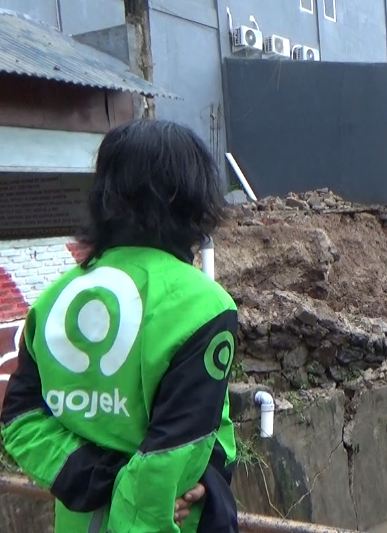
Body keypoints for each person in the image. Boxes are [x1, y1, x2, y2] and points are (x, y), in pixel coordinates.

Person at [0, 119, 239, 532]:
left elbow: (19, 419)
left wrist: (96, 479)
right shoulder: (204, 305)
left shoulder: (53, 298)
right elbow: (174, 451)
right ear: (194, 199)